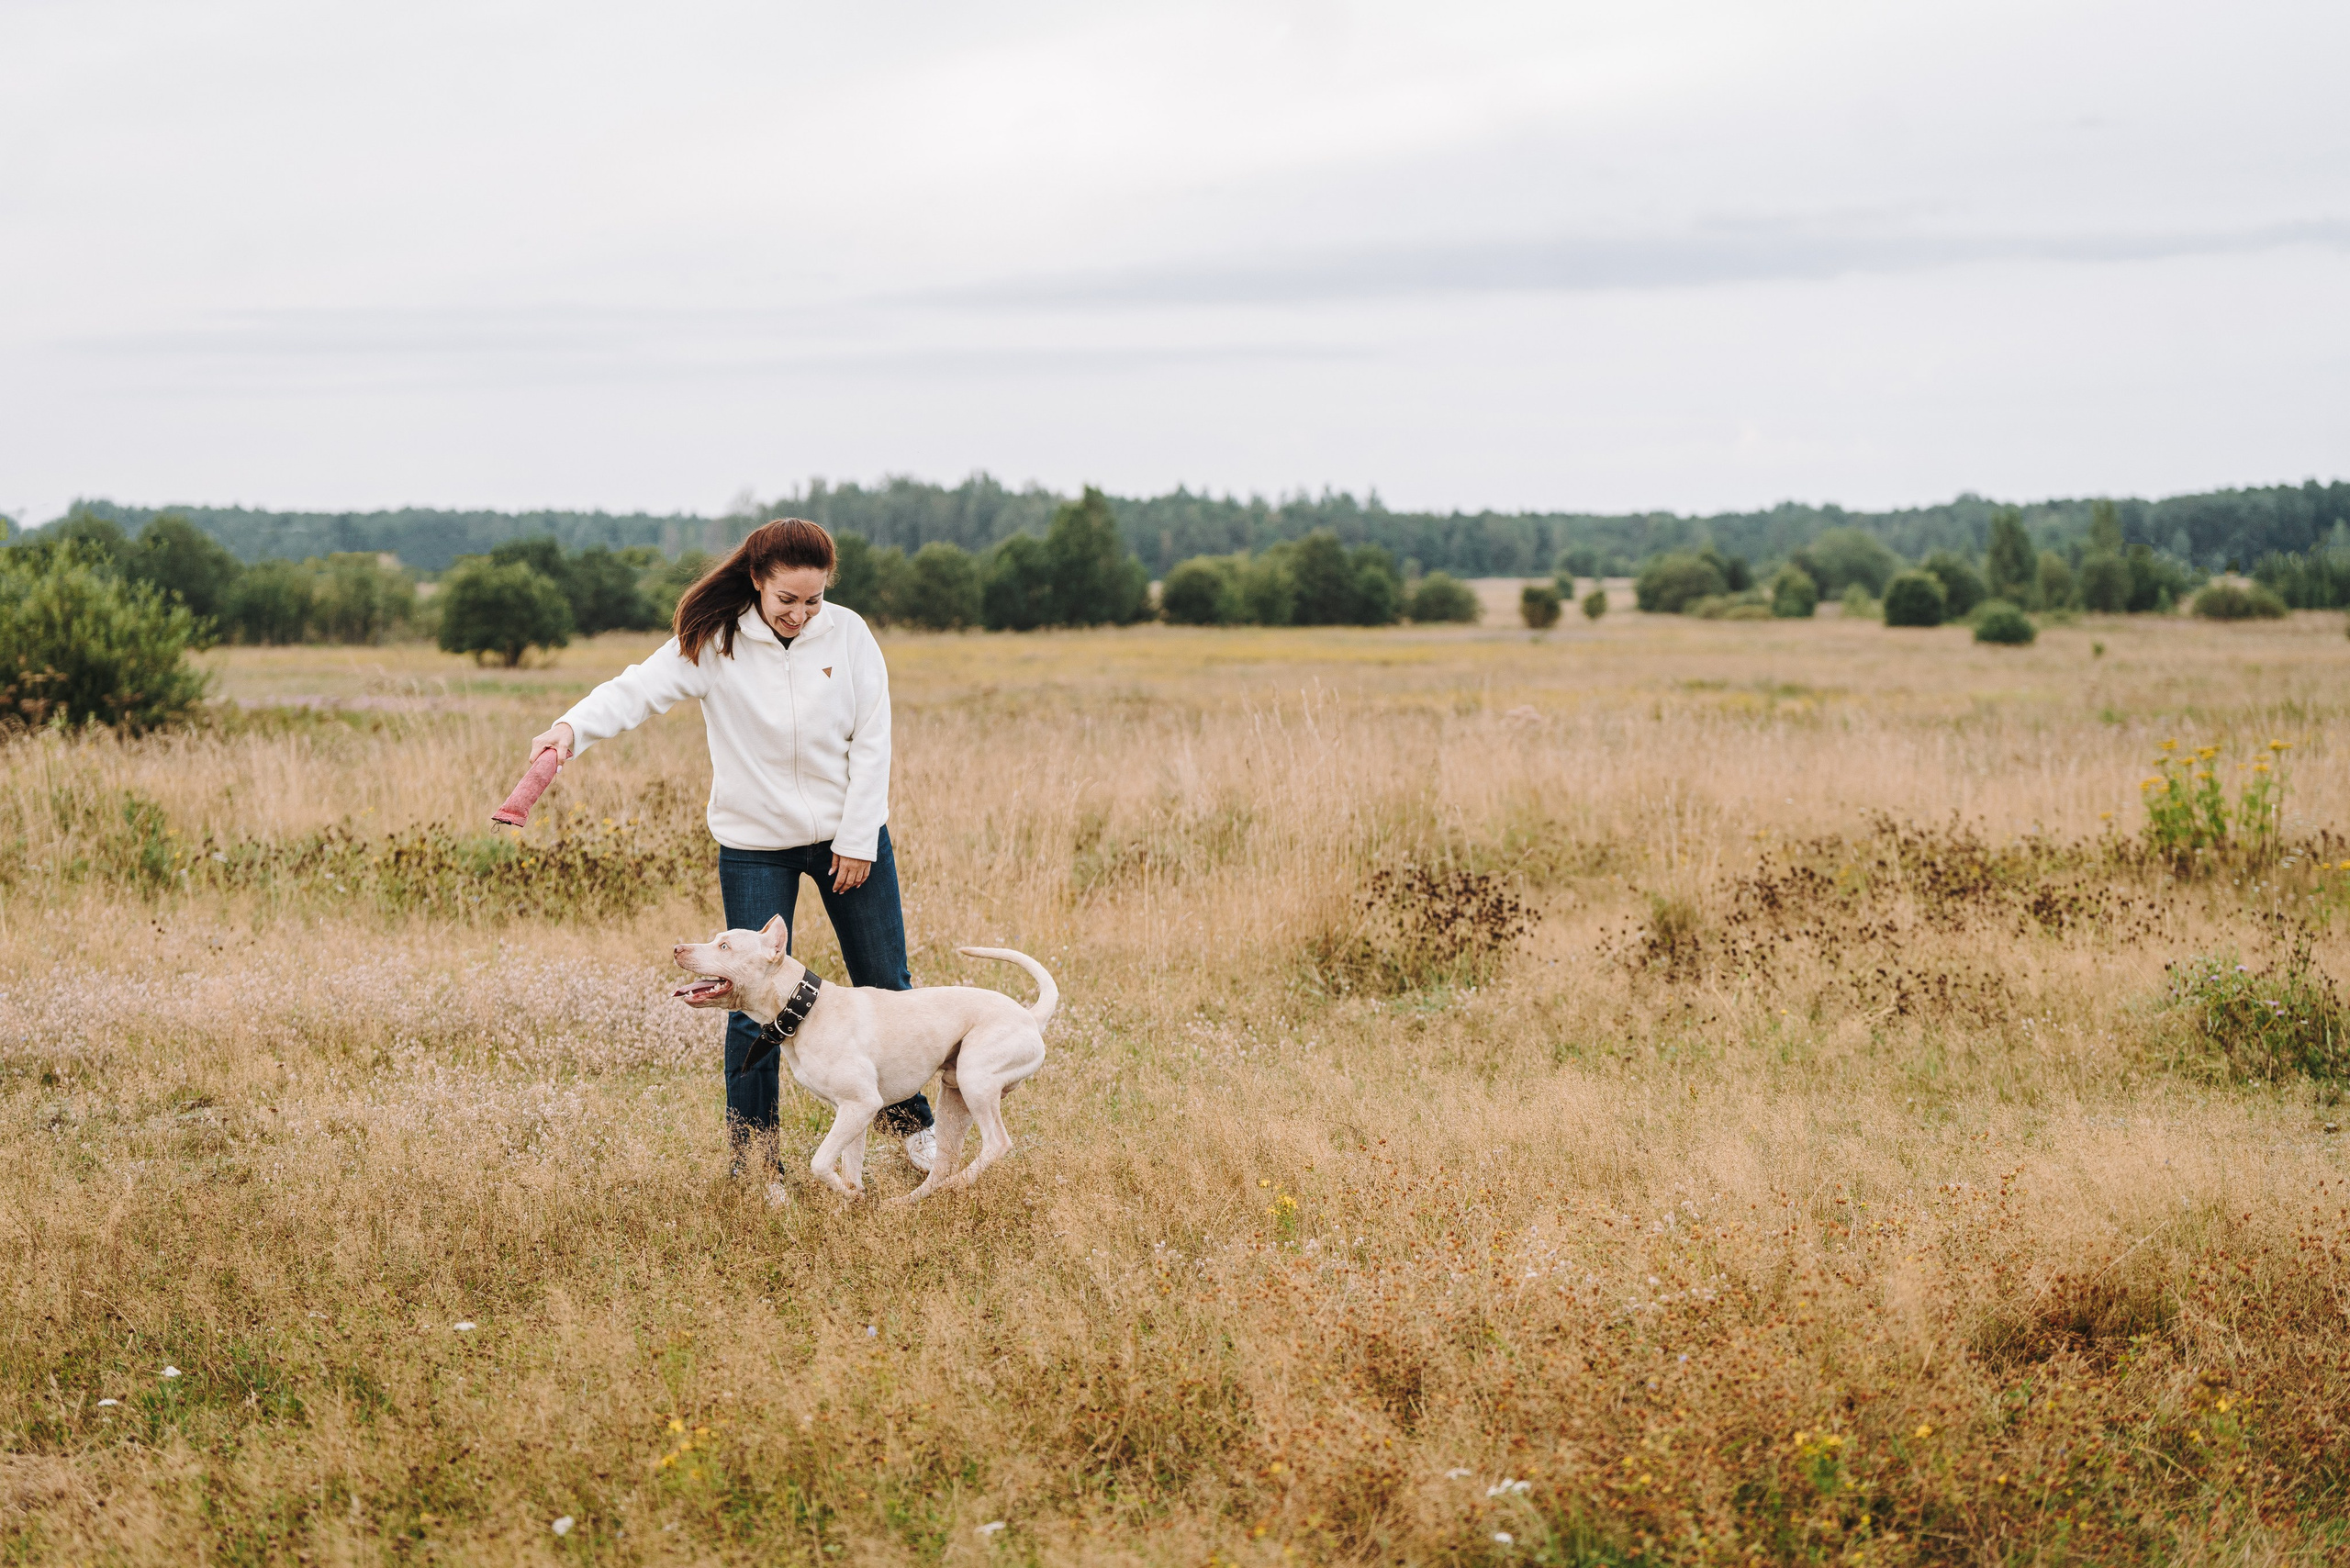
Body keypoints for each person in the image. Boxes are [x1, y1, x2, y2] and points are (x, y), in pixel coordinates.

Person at [527, 519, 934, 1194]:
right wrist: (572, 728)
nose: (802, 615)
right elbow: (635, 690)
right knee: (751, 1002)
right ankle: (755, 1163)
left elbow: (873, 740)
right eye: (787, 601)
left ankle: (914, 1130)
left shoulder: (850, 634)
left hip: (848, 841)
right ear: (756, 580)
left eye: (814, 601)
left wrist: (859, 838)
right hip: (754, 846)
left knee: (887, 985)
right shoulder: (714, 640)